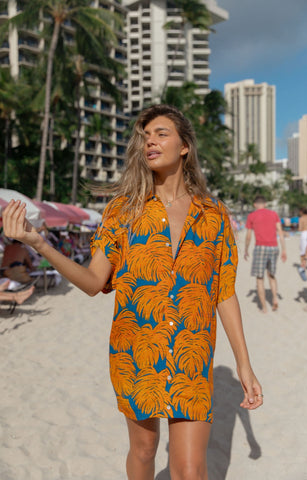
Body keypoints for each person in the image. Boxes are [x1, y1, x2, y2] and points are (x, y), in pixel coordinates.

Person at [3, 104, 263, 480]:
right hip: (136, 351)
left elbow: (224, 292)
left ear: (185, 145)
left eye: (160, 133)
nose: (149, 142)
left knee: (190, 469)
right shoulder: (122, 211)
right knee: (144, 450)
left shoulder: (214, 215)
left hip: (191, 354)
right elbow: (94, 282)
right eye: (144, 137)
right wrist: (39, 244)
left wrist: (243, 363)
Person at [244, 195, 287, 313]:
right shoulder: (274, 214)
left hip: (260, 247)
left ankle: (264, 307)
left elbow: (248, 236)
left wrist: (246, 249)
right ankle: (275, 298)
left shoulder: (251, 216)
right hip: (274, 247)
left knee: (259, 278)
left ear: (254, 204)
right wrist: (284, 249)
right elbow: (280, 232)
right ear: (265, 204)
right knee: (271, 275)